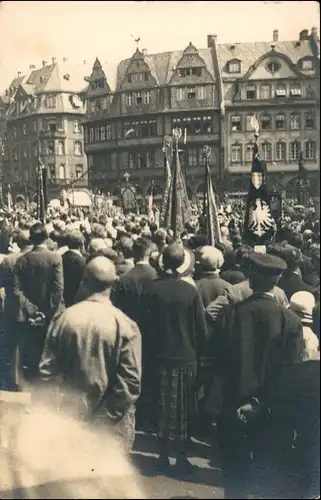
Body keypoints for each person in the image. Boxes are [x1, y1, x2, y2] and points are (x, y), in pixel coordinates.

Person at [214, 252, 304, 499]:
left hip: (232, 407)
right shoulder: (291, 321)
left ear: (251, 280)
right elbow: (292, 373)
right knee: (269, 477)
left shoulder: (231, 315)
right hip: (271, 413)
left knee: (235, 478)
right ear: (276, 283)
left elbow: (216, 363)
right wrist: (260, 404)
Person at [39, 256, 142, 452]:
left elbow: (46, 370)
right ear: (114, 283)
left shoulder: (64, 318)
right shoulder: (126, 325)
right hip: (111, 428)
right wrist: (103, 420)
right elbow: (130, 383)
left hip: (69, 418)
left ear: (84, 280)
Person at [144, 242, 208, 474]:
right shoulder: (189, 292)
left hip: (158, 355)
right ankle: (181, 457)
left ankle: (161, 455)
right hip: (185, 356)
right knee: (183, 409)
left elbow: (146, 325)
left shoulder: (151, 289)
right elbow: (200, 330)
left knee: (161, 406)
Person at [12, 223, 64, 381]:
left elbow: (17, 290)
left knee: (32, 351)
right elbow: (58, 289)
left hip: (29, 314)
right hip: (51, 313)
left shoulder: (22, 260)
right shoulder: (55, 258)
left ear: (31, 239)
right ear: (46, 238)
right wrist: (47, 311)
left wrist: (32, 310)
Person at [62, 230, 86, 308]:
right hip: (78, 302)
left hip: (64, 298)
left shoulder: (61, 257)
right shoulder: (82, 261)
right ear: (82, 244)